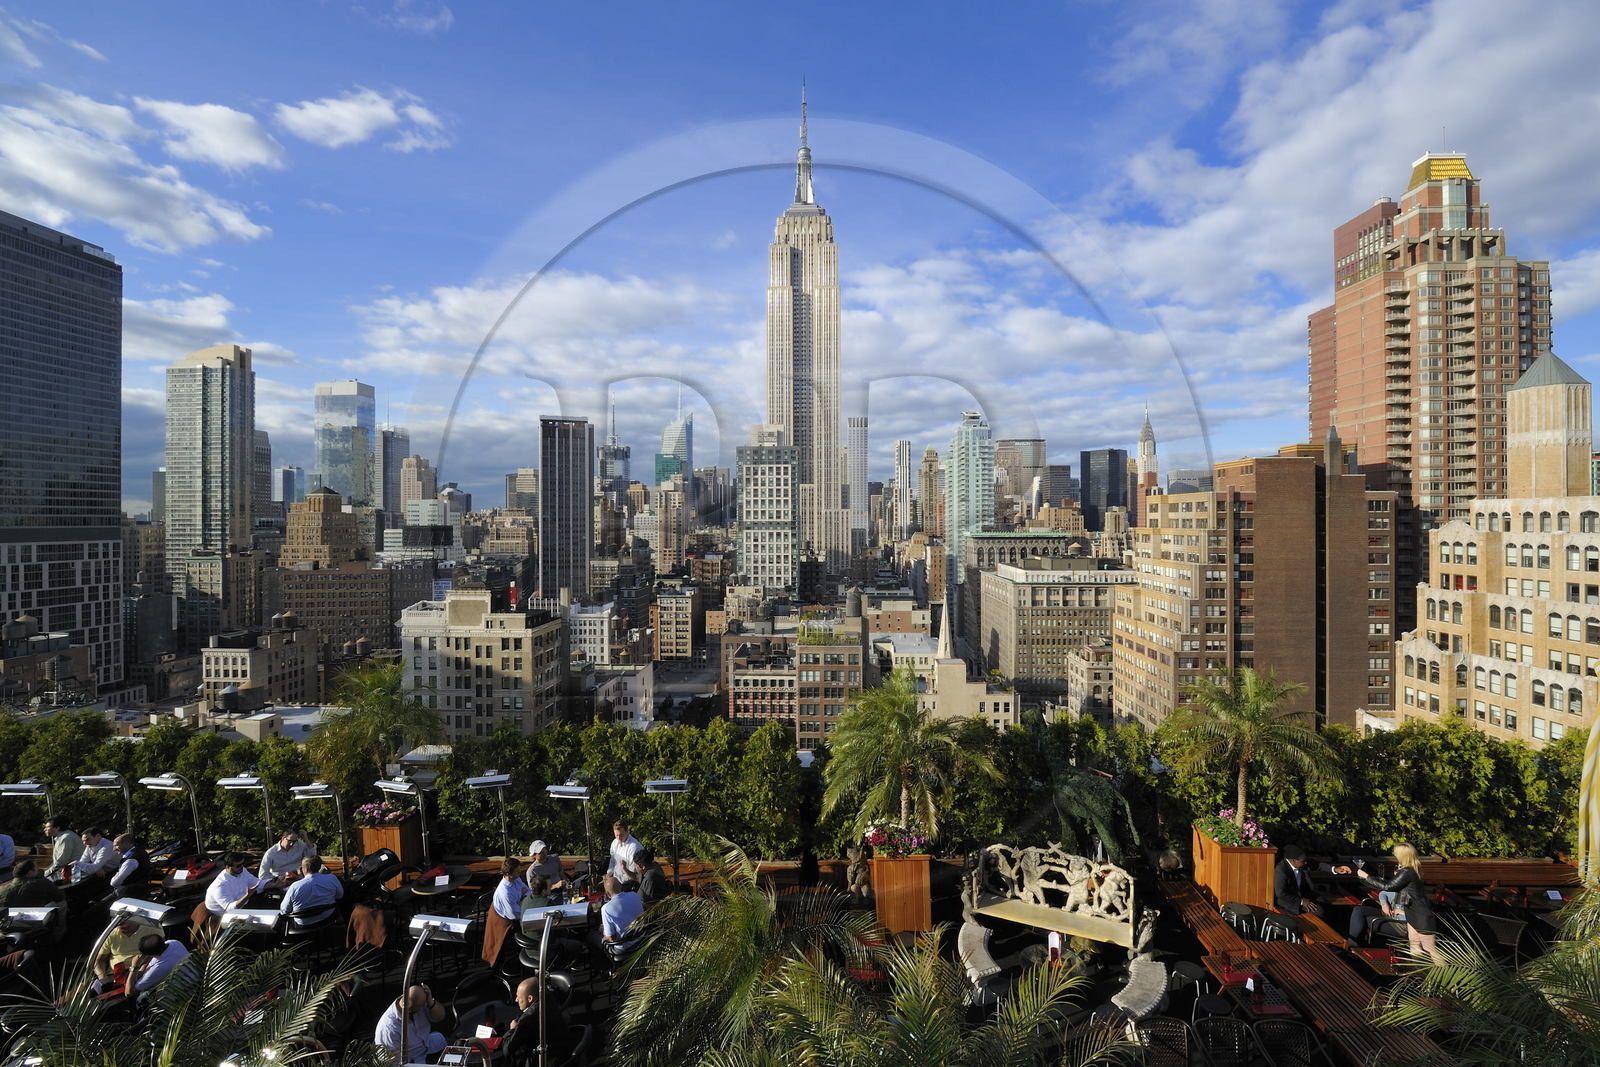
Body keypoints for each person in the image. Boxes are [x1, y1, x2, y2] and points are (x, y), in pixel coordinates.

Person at [1357, 842, 1444, 963]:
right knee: (1414, 945)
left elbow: (1387, 886)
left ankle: (1448, 977)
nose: (1395, 855)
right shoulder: (1413, 869)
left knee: (1430, 948)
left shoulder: (1408, 871)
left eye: (1396, 854)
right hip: (1412, 912)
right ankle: (1420, 972)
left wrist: (1366, 876)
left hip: (1420, 914)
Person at [374, 983, 447, 1064]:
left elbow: (440, 1017)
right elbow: (393, 1060)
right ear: (410, 1010)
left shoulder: (419, 1003)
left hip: (427, 1044)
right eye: (422, 1006)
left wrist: (431, 1002)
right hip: (412, 1059)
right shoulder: (389, 1028)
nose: (424, 1007)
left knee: (458, 1050)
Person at [587, 873, 643, 961]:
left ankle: (603, 967)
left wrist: (603, 931)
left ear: (607, 894)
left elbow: (610, 938)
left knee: (591, 936)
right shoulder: (634, 895)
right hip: (640, 939)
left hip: (624, 946)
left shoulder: (606, 908)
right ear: (621, 886)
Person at [483, 857, 527, 966]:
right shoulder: (505, 892)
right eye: (517, 871)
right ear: (508, 874)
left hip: (514, 910)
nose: (520, 872)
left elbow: (526, 890)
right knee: (496, 949)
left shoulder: (516, 879)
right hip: (502, 919)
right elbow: (514, 915)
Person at [278, 855, 343, 926]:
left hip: (303, 924)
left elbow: (284, 910)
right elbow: (340, 896)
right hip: (328, 919)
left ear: (304, 870)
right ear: (320, 866)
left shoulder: (295, 886)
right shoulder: (332, 878)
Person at [93, 917, 160, 985]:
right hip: (114, 976)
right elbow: (100, 960)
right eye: (118, 924)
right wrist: (102, 977)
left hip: (141, 972)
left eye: (123, 922)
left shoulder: (151, 928)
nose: (121, 926)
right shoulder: (111, 934)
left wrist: (141, 970)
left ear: (135, 919)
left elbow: (159, 952)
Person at [1274, 845, 1327, 916]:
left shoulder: (1301, 862)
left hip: (1303, 893)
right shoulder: (1281, 870)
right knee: (1320, 911)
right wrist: (1301, 901)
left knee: (1324, 901)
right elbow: (1280, 893)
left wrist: (1335, 869)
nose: (1305, 863)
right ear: (1294, 860)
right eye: (1303, 861)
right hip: (1290, 901)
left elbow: (1317, 864)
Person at [0, 860, 65, 907]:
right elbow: (59, 897)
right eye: (36, 869)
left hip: (8, 921)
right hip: (34, 920)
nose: (39, 870)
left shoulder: (2, 887)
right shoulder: (42, 882)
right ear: (30, 872)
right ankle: (62, 925)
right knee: (62, 903)